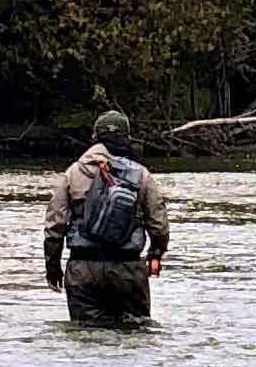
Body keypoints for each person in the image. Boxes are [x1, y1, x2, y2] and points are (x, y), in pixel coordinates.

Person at [43, 109, 171, 325]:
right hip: (127, 270)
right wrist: (155, 255)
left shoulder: (73, 173)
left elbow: (55, 226)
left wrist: (53, 267)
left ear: (95, 137)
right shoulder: (142, 174)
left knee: (85, 340)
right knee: (133, 337)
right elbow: (159, 225)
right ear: (127, 137)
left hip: (83, 270)